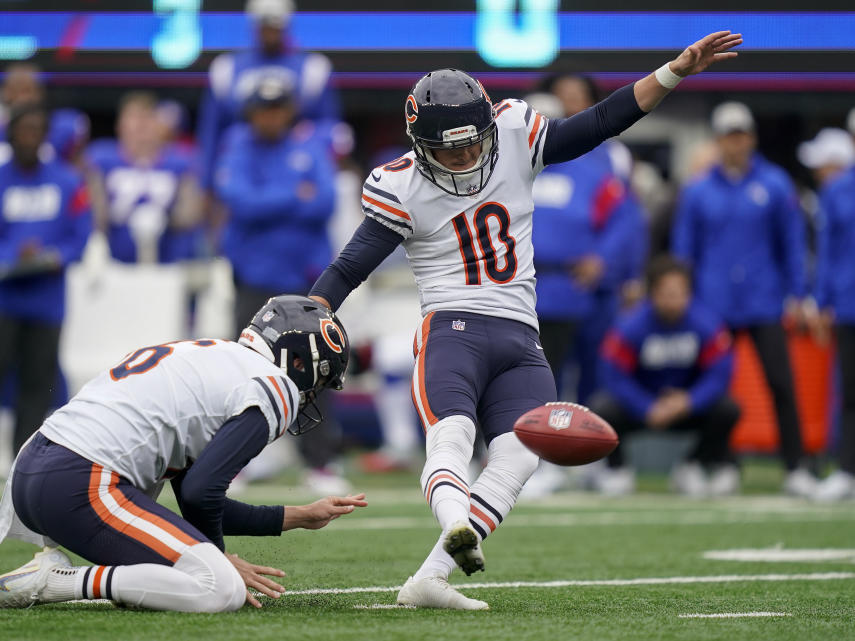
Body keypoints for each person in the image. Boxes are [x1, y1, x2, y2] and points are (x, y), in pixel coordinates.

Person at [307, 32, 741, 609]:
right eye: (448, 149)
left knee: (519, 454)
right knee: (454, 437)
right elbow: (350, 265)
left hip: (519, 333)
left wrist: (673, 72)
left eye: (471, 144)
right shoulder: (401, 185)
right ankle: (457, 523)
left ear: (489, 126)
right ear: (419, 144)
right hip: (451, 328)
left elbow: (601, 121)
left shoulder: (515, 134)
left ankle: (429, 579)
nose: (463, 157)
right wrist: (309, 314)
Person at [0, 295, 367, 612]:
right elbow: (200, 495)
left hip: (36, 468)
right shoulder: (272, 386)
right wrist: (218, 557)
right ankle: (56, 580)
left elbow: (194, 492)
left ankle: (113, 581)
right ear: (297, 360)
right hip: (82, 480)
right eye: (318, 380)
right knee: (218, 588)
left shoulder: (211, 359)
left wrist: (298, 516)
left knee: (185, 572)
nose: (311, 394)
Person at [672, 101, 816, 497]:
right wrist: (687, 300)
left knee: (781, 384)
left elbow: (792, 243)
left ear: (750, 137)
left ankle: (796, 467)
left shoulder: (775, 184)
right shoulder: (698, 190)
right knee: (717, 392)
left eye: (741, 135)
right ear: (718, 141)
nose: (735, 144)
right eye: (727, 137)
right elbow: (684, 251)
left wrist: (798, 294)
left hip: (764, 300)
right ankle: (723, 465)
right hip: (712, 305)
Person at [0, 103, 92, 491]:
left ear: (45, 135)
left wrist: (51, 257)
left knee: (37, 382)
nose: (29, 137)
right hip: (1, 298)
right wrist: (10, 258)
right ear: (10, 134)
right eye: (23, 130)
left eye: (36, 130)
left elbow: (80, 234)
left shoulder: (67, 181)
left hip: (46, 300)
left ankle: (21, 462)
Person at [216, 76, 344, 493]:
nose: (272, 115)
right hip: (253, 277)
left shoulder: (309, 145)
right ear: (252, 110)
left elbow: (325, 201)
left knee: (318, 368)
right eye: (264, 107)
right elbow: (239, 201)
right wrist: (293, 196)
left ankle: (320, 463)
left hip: (303, 280)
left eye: (279, 106)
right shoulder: (238, 145)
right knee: (246, 370)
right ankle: (237, 463)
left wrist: (269, 199)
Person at [594, 256, 740, 496]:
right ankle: (616, 468)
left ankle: (694, 465)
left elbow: (719, 374)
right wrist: (646, 406)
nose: (673, 300)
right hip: (644, 407)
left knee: (728, 409)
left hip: (686, 407)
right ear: (652, 293)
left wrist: (688, 401)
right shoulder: (630, 327)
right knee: (603, 408)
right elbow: (614, 376)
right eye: (667, 293)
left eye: (679, 292)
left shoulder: (707, 324)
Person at [197, 0, 339, 194]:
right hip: (242, 164)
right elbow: (211, 132)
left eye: (275, 25)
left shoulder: (312, 68)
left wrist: (308, 147)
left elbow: (330, 128)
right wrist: (206, 184)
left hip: (294, 164)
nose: (270, 32)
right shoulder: (226, 68)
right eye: (265, 25)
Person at [86, 92, 203, 264]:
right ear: (120, 125)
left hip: (169, 264)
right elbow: (92, 215)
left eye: (147, 118)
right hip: (115, 263)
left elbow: (191, 214)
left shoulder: (181, 163)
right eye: (134, 118)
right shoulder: (101, 160)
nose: (141, 125)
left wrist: (166, 220)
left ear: (159, 125)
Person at [811, 151, 855, 501]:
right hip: (848, 301)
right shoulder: (837, 189)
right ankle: (847, 470)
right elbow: (827, 250)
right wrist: (822, 301)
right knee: (850, 391)